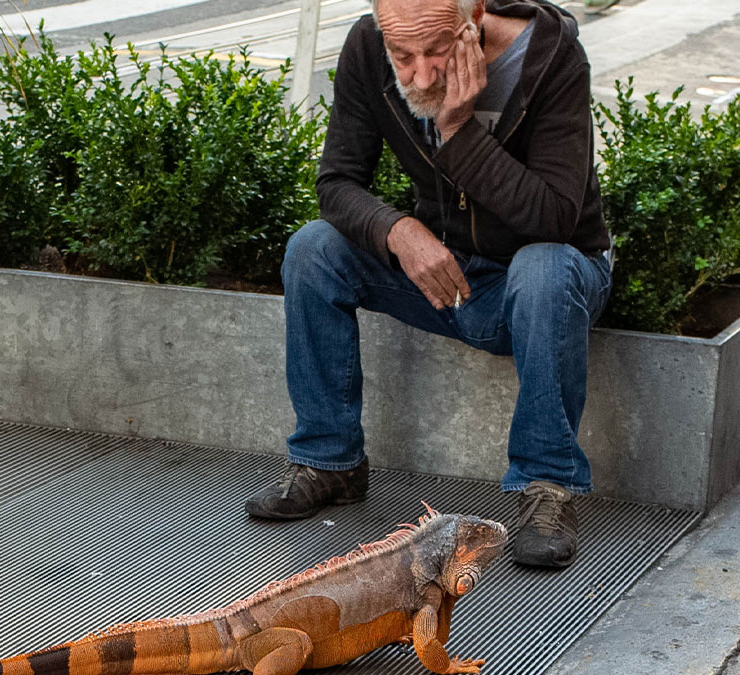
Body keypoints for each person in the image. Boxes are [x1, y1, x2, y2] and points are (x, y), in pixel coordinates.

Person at [244, 0, 613, 570]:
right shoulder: (368, 44)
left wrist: (459, 133)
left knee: (543, 266)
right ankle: (330, 461)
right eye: (403, 56)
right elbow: (337, 181)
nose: (419, 75)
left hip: (549, 279)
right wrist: (397, 230)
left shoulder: (550, 55)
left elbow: (557, 219)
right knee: (313, 249)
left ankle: (547, 488)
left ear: (475, 17)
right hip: (446, 273)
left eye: (437, 52)